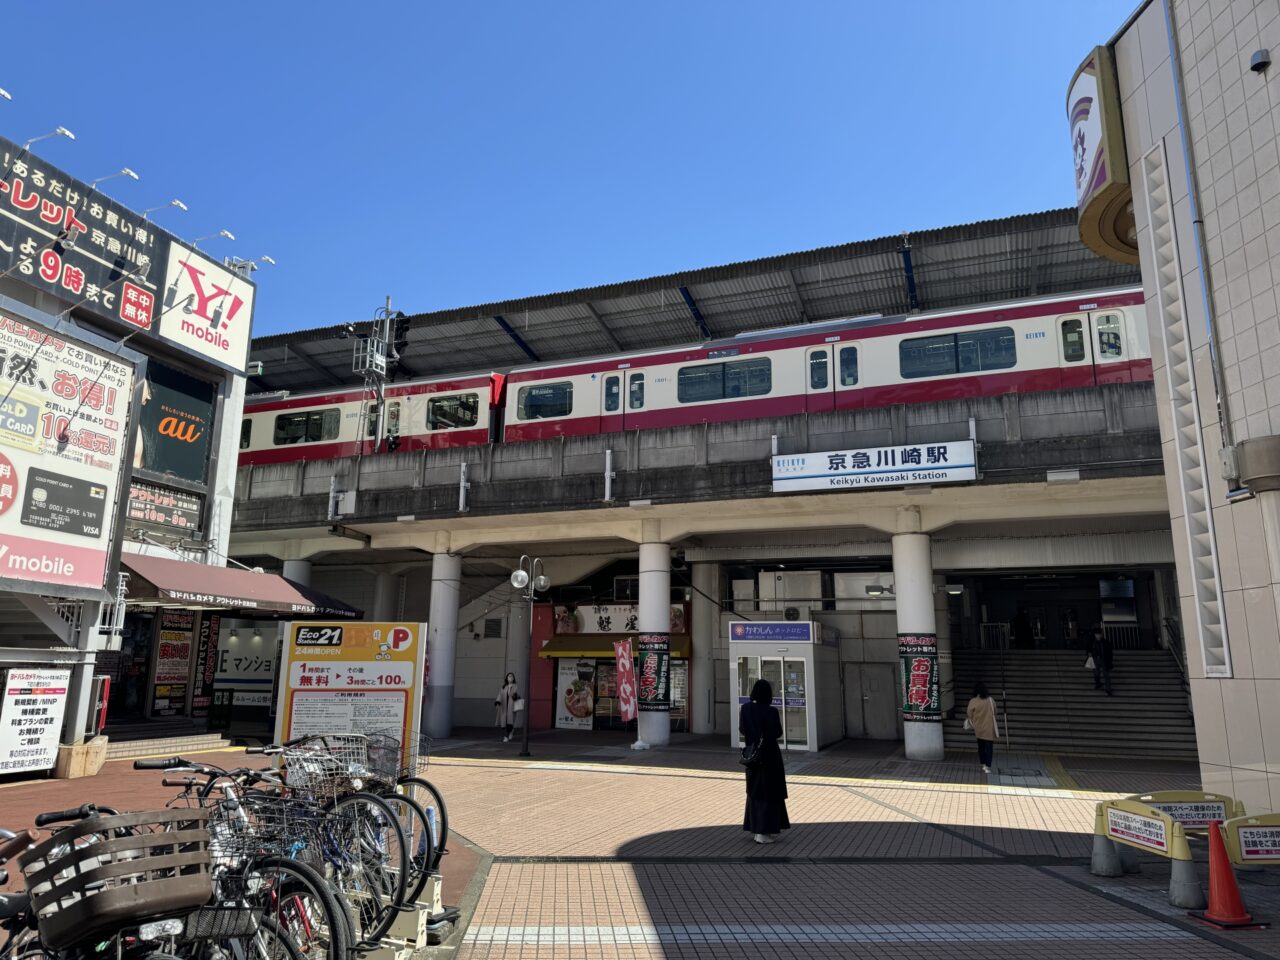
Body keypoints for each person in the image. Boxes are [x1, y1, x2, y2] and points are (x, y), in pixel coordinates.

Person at [739, 678, 790, 844]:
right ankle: (764, 831)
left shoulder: (745, 709)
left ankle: (756, 829)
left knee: (754, 791)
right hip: (770, 756)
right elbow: (777, 733)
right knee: (771, 792)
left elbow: (742, 729)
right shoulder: (771, 712)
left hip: (752, 755)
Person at [965, 681, 999, 774]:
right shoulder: (991, 700)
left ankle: (983, 763)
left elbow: (969, 713)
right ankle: (988, 767)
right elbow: (995, 712)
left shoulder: (973, 701)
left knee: (981, 747)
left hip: (979, 728)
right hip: (989, 728)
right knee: (989, 748)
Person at [494, 672, 521, 742]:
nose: (510, 678)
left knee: (510, 721)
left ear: (513, 678)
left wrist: (515, 695)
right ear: (507, 678)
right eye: (509, 676)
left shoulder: (515, 686)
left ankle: (506, 736)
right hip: (504, 706)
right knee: (504, 722)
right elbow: (500, 695)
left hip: (511, 707)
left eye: (511, 676)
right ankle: (511, 731)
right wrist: (497, 702)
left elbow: (517, 695)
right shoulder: (504, 686)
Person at [1089, 626, 1114, 695]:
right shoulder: (1092, 642)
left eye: (1099, 634)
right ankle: (1098, 683)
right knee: (1096, 673)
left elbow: (1109, 652)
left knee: (1106, 675)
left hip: (1103, 660)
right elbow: (1088, 649)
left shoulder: (1105, 642)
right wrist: (1089, 654)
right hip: (1095, 659)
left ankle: (1107, 689)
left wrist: (1110, 661)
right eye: (1096, 635)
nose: (1098, 636)